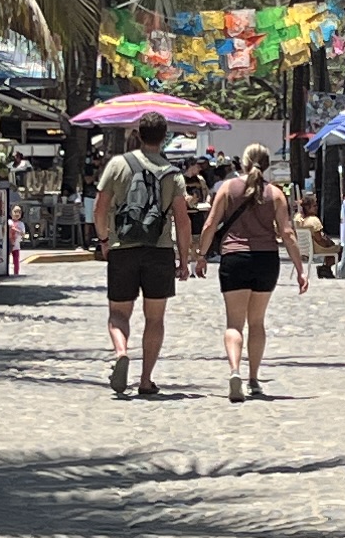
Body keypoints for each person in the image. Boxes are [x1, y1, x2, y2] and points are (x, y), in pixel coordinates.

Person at [91, 111, 193, 397]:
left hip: (123, 249)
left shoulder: (117, 165)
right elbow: (183, 221)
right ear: (164, 136)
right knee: (155, 318)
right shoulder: (173, 173)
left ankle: (122, 352)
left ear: (138, 132)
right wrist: (183, 260)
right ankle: (146, 380)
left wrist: (103, 239)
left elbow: (99, 208)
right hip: (159, 252)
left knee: (118, 314)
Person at [202, 140, 308, 399]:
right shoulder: (276, 194)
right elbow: (287, 233)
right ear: (267, 165)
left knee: (234, 324)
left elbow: (210, 225)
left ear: (243, 162)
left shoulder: (227, 188)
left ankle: (235, 370)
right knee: (257, 322)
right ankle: (254, 378)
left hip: (234, 258)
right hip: (265, 260)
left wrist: (200, 256)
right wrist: (300, 268)